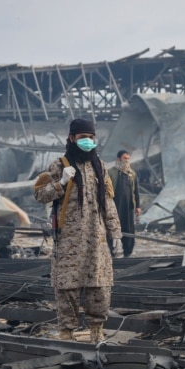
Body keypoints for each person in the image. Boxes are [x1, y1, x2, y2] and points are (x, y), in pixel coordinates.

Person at [34, 118, 122, 343]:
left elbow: (108, 202)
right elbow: (39, 195)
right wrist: (60, 183)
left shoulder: (100, 166)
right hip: (69, 240)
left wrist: (116, 233)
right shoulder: (59, 165)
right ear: (72, 138)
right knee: (67, 287)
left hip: (96, 239)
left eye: (91, 138)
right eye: (83, 138)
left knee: (100, 286)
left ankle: (96, 329)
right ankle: (67, 332)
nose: (88, 142)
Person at [107, 150, 141, 257]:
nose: (127, 161)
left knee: (129, 228)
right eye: (125, 158)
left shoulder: (132, 174)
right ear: (119, 159)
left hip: (128, 207)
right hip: (115, 206)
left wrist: (138, 206)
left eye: (128, 159)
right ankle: (111, 251)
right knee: (113, 227)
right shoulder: (111, 172)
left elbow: (136, 192)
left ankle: (128, 252)